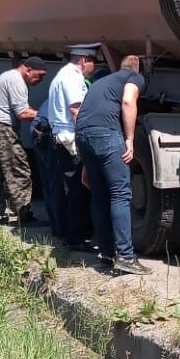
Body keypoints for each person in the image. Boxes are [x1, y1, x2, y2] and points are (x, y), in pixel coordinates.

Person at [76, 55, 150, 275]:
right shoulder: (134, 77)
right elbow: (128, 101)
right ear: (139, 70)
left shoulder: (102, 82)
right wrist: (129, 139)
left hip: (82, 134)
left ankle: (107, 255)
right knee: (120, 193)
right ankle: (126, 257)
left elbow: (83, 115)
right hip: (105, 134)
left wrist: (87, 164)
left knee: (99, 194)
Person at [0, 56, 48, 225]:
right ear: (28, 69)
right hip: (2, 131)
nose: (41, 80)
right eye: (39, 75)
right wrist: (48, 114)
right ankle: (24, 215)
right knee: (18, 172)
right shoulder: (16, 81)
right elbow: (23, 113)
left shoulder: (8, 76)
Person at [41, 43, 98, 249]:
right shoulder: (73, 78)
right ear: (84, 61)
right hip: (71, 139)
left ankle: (66, 233)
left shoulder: (62, 75)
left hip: (61, 138)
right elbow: (76, 111)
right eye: (94, 61)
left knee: (67, 188)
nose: (95, 66)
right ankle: (74, 238)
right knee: (76, 190)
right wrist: (87, 137)